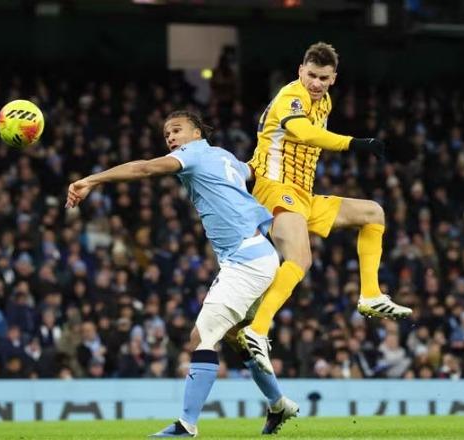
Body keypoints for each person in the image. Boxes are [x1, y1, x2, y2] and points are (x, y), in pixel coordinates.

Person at [66, 111, 298, 437]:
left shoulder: (193, 154)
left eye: (177, 130)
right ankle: (278, 403)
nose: (171, 138)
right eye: (166, 135)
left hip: (247, 260)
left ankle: (186, 425)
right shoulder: (225, 156)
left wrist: (92, 179)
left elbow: (145, 167)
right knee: (234, 336)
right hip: (257, 254)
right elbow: (253, 172)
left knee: (201, 338)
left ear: (197, 131)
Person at [237, 42, 412, 373]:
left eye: (323, 78)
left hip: (303, 194)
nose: (316, 83)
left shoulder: (325, 101)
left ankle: (371, 295)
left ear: (334, 78)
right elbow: (303, 133)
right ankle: (257, 329)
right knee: (301, 259)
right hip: (274, 188)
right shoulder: (291, 96)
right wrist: (355, 143)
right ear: (301, 71)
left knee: (373, 213)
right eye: (312, 75)